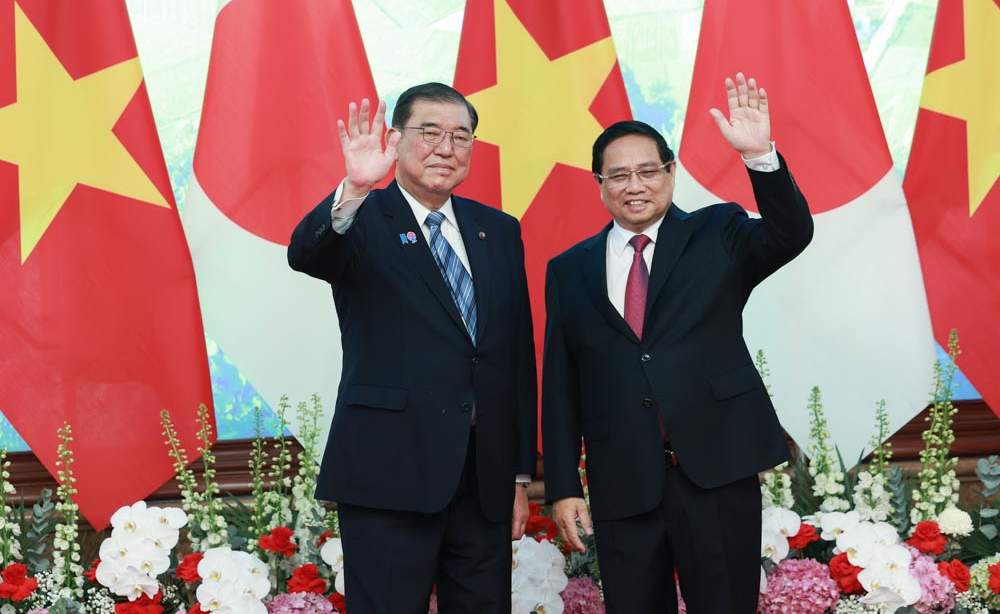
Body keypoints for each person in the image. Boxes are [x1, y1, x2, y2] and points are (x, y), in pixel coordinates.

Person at [541, 73, 814, 613]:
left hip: (715, 469)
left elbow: (791, 234)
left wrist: (760, 156)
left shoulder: (719, 233)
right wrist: (563, 484)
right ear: (599, 184)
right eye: (618, 175)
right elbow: (561, 379)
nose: (634, 185)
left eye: (647, 171)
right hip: (623, 478)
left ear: (670, 173)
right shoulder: (569, 269)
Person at [288, 83, 537, 613]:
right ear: (396, 139)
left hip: (482, 478)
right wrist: (354, 187)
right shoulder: (362, 219)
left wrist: (518, 474)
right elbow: (308, 253)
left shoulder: (498, 229)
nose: (445, 148)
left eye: (460, 136)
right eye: (429, 133)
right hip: (388, 473)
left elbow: (514, 355)